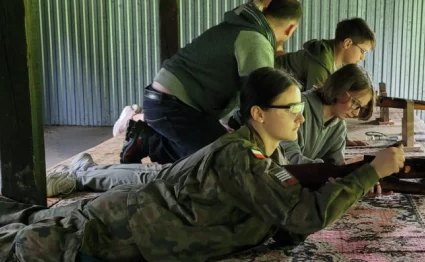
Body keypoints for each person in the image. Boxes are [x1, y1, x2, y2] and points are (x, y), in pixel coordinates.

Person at [0, 68, 405, 262]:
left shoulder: (255, 155)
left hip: (112, 224)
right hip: (100, 234)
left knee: (19, 216)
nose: (302, 116)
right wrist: (365, 175)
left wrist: (344, 176)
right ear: (258, 114)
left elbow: (286, 197)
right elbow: (300, 216)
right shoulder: (238, 157)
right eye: (292, 110)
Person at [46, 64, 375, 196]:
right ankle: (84, 173)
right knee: (158, 180)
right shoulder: (255, 139)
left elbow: (327, 169)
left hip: (247, 160)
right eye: (294, 112)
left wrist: (354, 177)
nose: (300, 118)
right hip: (225, 156)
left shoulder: (324, 128)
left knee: (162, 177)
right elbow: (295, 173)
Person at [110, 0, 303, 137]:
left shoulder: (245, 24)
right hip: (173, 105)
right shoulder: (255, 40)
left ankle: (145, 138)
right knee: (217, 156)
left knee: (215, 143)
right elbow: (257, 99)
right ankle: (138, 133)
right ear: (291, 28)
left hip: (172, 101)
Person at [277, 18, 376, 90]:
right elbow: (314, 102)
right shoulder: (321, 62)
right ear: (347, 43)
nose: (363, 57)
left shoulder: (336, 60)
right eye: (363, 51)